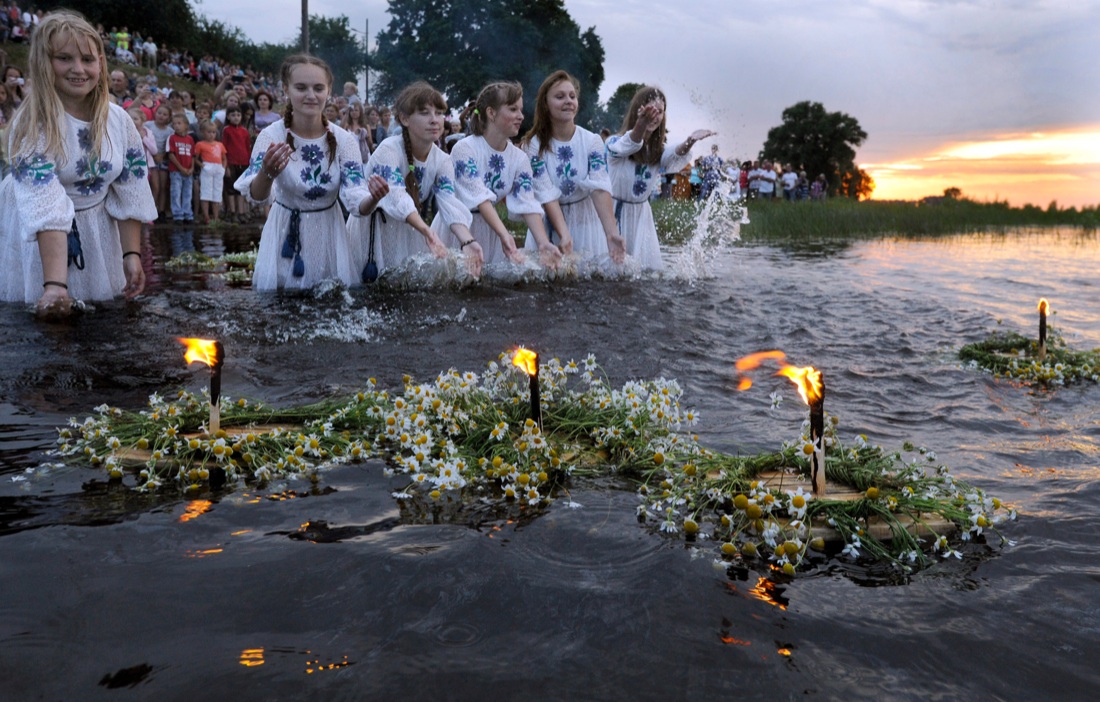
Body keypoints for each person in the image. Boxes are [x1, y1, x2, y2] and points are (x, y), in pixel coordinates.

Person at [0, 11, 156, 313]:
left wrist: (131, 254)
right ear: (44, 63)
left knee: (103, 313)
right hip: (39, 228)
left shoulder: (118, 120)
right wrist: (55, 285)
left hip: (97, 221)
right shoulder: (31, 125)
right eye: (64, 58)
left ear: (101, 62)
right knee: (47, 317)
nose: (78, 69)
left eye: (87, 59)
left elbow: (130, 189)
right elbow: (45, 208)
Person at [234, 53, 389, 291]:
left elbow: (356, 200)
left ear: (329, 91)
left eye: (318, 88)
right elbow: (256, 196)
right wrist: (266, 173)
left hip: (329, 234)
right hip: (284, 232)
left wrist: (374, 198)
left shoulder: (344, 140)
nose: (310, 95)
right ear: (286, 89)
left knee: (331, 300)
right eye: (301, 87)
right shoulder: (271, 136)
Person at [354, 81, 483, 280]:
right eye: (424, 113)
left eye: (439, 113)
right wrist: (426, 230)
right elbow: (397, 196)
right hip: (374, 232)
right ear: (404, 118)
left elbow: (449, 203)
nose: (434, 120)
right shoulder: (388, 149)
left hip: (410, 230)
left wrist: (468, 241)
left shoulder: (443, 160)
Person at [447, 81, 563, 268]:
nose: (521, 116)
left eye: (520, 110)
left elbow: (526, 202)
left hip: (490, 230)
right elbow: (480, 197)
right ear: (491, 113)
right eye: (513, 109)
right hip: (458, 229)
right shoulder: (464, 149)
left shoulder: (519, 158)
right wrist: (504, 234)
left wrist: (543, 242)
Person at [521, 70, 624, 266]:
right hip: (548, 223)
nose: (568, 101)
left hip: (585, 224)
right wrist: (564, 234)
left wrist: (611, 233)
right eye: (560, 97)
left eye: (572, 96)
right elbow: (545, 191)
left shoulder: (592, 141)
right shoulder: (533, 145)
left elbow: (599, 188)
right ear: (545, 104)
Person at [606, 86, 713, 271]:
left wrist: (690, 141)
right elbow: (630, 144)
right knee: (611, 271)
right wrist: (640, 125)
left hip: (641, 216)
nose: (654, 116)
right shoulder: (615, 142)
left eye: (660, 111)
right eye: (650, 109)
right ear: (638, 109)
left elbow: (674, 155)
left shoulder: (658, 150)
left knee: (645, 273)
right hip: (614, 213)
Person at [192, 120, 226, 224]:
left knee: (217, 192)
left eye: (213, 132)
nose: (211, 135)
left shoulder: (220, 145)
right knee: (206, 192)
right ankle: (206, 216)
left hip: (218, 168)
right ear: (203, 132)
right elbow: (195, 158)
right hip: (207, 167)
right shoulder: (200, 144)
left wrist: (223, 168)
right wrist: (203, 166)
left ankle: (216, 217)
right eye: (209, 132)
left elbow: (224, 158)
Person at [221, 105, 250, 223]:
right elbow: (224, 148)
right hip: (231, 163)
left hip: (243, 163)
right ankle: (232, 212)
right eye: (233, 115)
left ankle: (241, 212)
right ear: (228, 117)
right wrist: (226, 165)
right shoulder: (227, 130)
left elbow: (247, 148)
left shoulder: (245, 131)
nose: (236, 117)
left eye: (238, 115)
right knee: (231, 189)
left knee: (241, 189)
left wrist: (249, 164)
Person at [144, 102, 172, 217]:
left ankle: (161, 210)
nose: (161, 116)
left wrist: (162, 156)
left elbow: (169, 146)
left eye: (165, 114)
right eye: (159, 113)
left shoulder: (170, 131)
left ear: (169, 118)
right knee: (154, 186)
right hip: (150, 159)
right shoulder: (148, 125)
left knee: (162, 186)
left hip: (163, 160)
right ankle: (151, 208)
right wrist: (154, 155)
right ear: (155, 113)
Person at [166, 112, 194, 222]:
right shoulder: (172, 138)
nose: (176, 126)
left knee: (188, 193)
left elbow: (192, 155)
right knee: (176, 192)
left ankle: (187, 213)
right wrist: (181, 168)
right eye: (174, 124)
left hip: (188, 171)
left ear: (186, 125)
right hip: (176, 171)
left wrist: (191, 168)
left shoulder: (190, 139)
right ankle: (177, 214)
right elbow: (171, 154)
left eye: (179, 123)